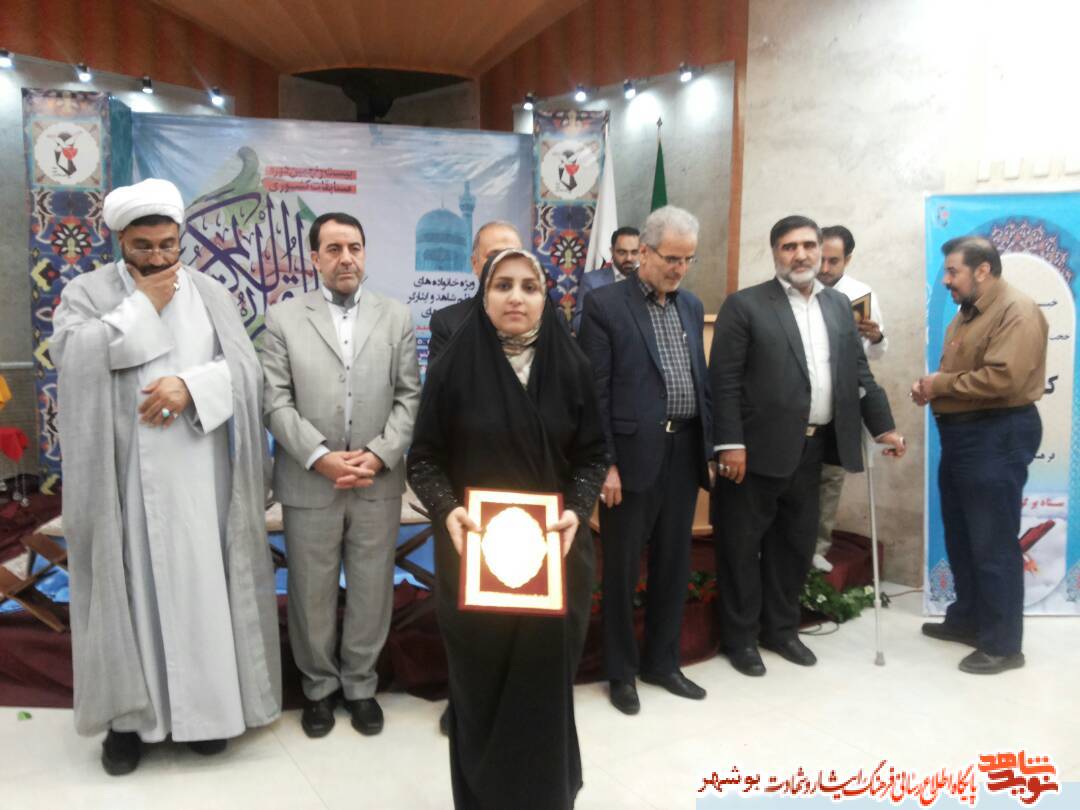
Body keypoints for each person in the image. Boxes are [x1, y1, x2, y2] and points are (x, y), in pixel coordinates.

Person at [51, 178, 281, 775]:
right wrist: (142, 308)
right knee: (126, 590)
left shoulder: (210, 292)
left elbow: (245, 371)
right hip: (120, 480)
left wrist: (190, 386)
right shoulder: (87, 292)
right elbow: (71, 359)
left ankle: (207, 717)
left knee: (201, 587)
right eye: (143, 246)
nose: (157, 258)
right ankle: (128, 725)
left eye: (168, 245)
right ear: (119, 241)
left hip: (198, 472)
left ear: (181, 239)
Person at [407, 248, 607, 810]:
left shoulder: (572, 367)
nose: (516, 297)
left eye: (529, 286)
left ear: (546, 298)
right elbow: (423, 460)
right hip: (475, 561)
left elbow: (594, 455)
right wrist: (448, 509)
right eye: (503, 285)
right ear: (484, 295)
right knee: (482, 690)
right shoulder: (453, 368)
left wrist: (577, 507)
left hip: (554, 562)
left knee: (542, 694)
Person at [710, 215, 905, 678]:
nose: (800, 255)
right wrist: (730, 444)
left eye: (808, 245)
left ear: (820, 250)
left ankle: (780, 630)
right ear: (775, 253)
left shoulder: (838, 306)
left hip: (813, 449)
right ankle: (740, 639)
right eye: (789, 246)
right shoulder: (746, 305)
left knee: (794, 546)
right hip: (753, 453)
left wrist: (884, 428)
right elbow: (724, 381)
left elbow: (859, 375)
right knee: (741, 547)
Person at [260, 212, 421, 737]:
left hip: (377, 479)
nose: (345, 258)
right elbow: (274, 401)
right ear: (315, 258)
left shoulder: (396, 317)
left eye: (354, 247)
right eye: (333, 249)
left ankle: (360, 686)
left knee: (373, 587)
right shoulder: (283, 319)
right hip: (311, 479)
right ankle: (318, 689)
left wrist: (378, 454)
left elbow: (409, 396)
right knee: (311, 590)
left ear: (365, 253)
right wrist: (319, 456)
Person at [578, 206, 713, 716]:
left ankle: (662, 662)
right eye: (671, 258)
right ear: (646, 253)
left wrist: (710, 448)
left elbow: (699, 380)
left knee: (674, 566)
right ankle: (621, 672)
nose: (680, 269)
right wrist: (605, 464)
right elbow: (595, 392)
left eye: (688, 259)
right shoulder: (605, 305)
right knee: (621, 570)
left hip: (683, 453)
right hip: (630, 460)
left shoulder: (691, 305)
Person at [913, 236, 1047, 675]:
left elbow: (1004, 379)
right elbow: (962, 374)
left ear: (983, 270)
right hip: (964, 436)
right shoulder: (968, 312)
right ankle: (969, 620)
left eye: (953, 271)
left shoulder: (1016, 311)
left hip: (996, 434)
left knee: (992, 541)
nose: (946, 280)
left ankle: (1003, 646)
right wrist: (932, 387)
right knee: (962, 534)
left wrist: (939, 385)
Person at [813, 224, 888, 572]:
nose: (825, 268)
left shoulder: (860, 294)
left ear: (849, 259)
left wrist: (876, 337)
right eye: (821, 259)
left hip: (843, 397)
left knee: (831, 476)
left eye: (834, 261)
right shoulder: (799, 288)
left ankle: (818, 546)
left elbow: (875, 354)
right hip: (801, 397)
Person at [427, 220, 522, 365]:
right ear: (474, 264)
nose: (504, 262)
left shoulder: (546, 321)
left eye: (512, 256)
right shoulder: (448, 323)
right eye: (494, 255)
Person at [570, 226, 641, 334]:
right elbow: (578, 323)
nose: (628, 258)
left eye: (634, 252)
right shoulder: (592, 281)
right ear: (611, 251)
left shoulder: (648, 282)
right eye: (622, 252)